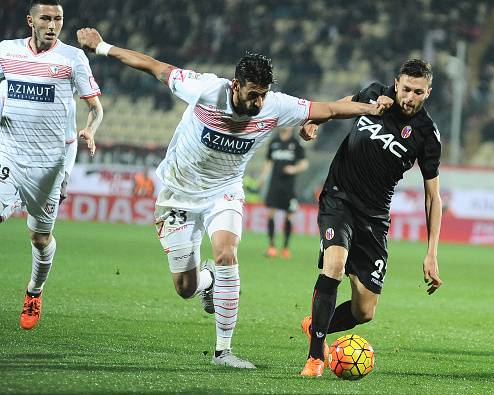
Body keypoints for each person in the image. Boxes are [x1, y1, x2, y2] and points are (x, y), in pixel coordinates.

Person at [76, 27, 391, 369]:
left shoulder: (273, 105)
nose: (259, 103)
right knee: (185, 287)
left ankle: (223, 352)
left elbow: (328, 108)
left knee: (227, 253)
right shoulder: (205, 89)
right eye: (253, 94)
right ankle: (207, 280)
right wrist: (103, 47)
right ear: (236, 85)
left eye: (263, 95)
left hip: (224, 190)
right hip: (178, 193)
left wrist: (371, 110)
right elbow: (154, 66)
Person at [298, 59, 444, 377]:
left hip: (374, 218)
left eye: (418, 92)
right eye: (405, 89)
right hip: (339, 198)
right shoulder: (375, 94)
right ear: (396, 83)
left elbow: (433, 197)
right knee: (334, 265)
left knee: (364, 311)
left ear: (428, 93)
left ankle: (316, 324)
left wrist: (431, 252)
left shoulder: (427, 137)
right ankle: (315, 359)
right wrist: (316, 120)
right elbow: (343, 106)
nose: (409, 96)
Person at [0, 0, 103, 330]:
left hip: (50, 162)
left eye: (58, 18)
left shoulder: (73, 58)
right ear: (30, 20)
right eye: (46, 17)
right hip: (8, 151)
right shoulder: (6, 51)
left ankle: (34, 291)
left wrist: (90, 128)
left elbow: (96, 108)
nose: (52, 24)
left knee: (40, 238)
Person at [259, 127, 308, 259]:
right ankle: (271, 246)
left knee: (289, 216)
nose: (287, 125)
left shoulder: (295, 143)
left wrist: (294, 168)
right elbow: (268, 162)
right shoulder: (274, 142)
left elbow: (304, 163)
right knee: (270, 214)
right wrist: (262, 178)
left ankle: (285, 248)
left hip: (289, 187)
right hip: (274, 185)